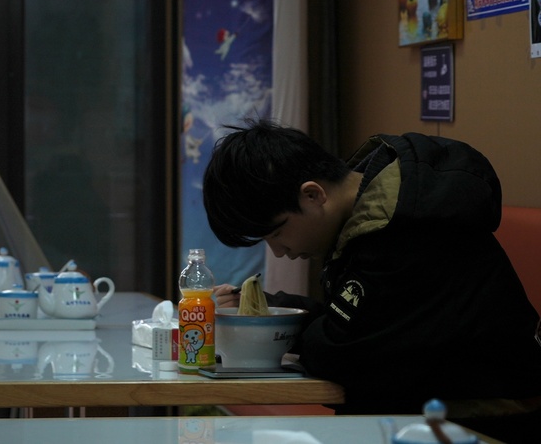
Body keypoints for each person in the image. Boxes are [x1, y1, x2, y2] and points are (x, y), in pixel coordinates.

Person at [202, 119, 541, 443]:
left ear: (313, 195)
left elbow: (341, 353)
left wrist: (283, 324)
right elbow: (359, 325)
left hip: (481, 420)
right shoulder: (374, 209)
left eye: (277, 232)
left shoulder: (406, 229)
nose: (279, 251)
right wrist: (273, 309)